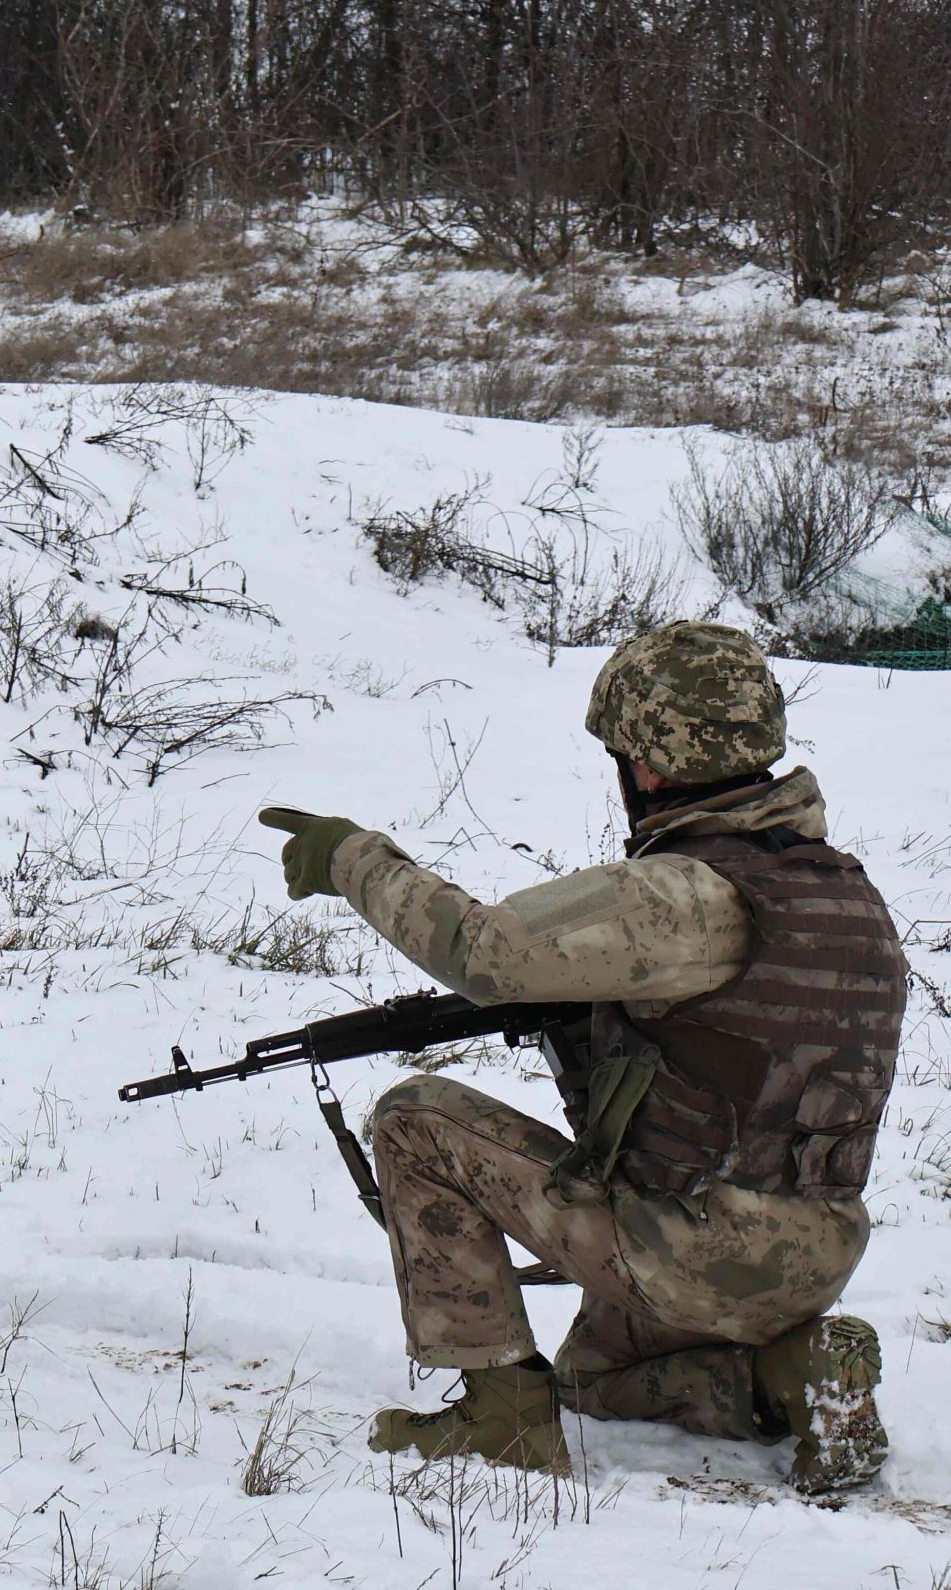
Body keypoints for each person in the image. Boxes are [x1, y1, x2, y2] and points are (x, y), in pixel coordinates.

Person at [260, 621, 903, 1492]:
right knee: (591, 1383)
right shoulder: (846, 896)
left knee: (415, 1120)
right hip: (814, 1260)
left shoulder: (680, 894)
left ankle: (501, 1425)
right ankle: (792, 1378)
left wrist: (350, 858)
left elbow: (479, 949)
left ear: (646, 764)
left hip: (689, 1256)